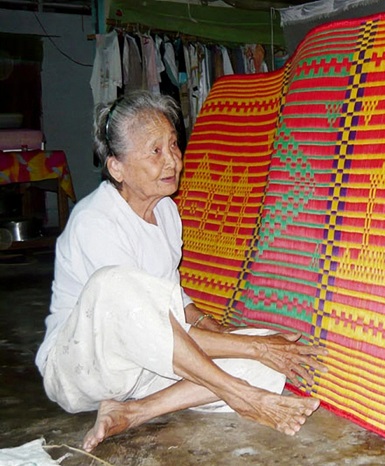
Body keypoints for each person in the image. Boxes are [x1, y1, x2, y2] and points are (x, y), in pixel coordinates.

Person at [35, 91, 326, 453]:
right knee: (115, 284)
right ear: (117, 167)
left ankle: (135, 412)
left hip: (142, 368)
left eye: (173, 145)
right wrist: (253, 347)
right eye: (155, 151)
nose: (172, 160)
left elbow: (173, 300)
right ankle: (240, 395)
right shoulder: (95, 222)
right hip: (82, 369)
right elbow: (148, 322)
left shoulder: (167, 212)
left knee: (269, 359)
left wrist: (223, 331)